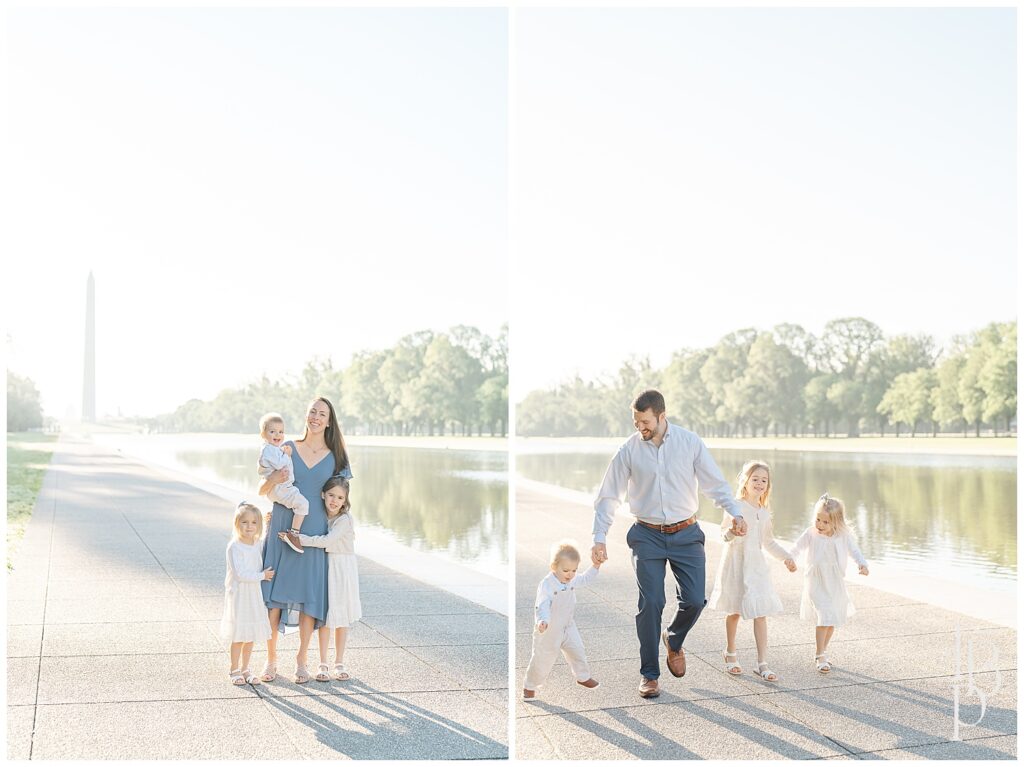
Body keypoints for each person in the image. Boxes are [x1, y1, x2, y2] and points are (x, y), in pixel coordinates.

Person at [592, 389, 748, 699]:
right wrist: (599, 537)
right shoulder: (629, 449)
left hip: (686, 534)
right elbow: (609, 495)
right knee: (650, 603)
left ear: (662, 416)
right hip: (646, 535)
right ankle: (649, 674)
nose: (640, 427)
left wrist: (735, 512)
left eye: (645, 421)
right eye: (636, 422)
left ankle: (673, 640)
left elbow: (714, 483)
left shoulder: (689, 443)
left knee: (694, 599)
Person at [259, 396, 351, 684]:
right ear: (306, 415)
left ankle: (302, 660)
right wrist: (274, 479)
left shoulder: (336, 456)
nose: (316, 417)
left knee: (309, 597)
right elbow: (263, 489)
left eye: (322, 413)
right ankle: (271, 660)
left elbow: (341, 500)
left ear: (329, 420)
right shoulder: (285, 448)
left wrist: (342, 532)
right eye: (312, 411)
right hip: (282, 524)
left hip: (313, 531)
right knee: (274, 597)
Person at [708, 460, 796, 682]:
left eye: (764, 480)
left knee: (760, 613)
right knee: (735, 611)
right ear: (745, 482)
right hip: (737, 564)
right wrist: (732, 532)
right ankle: (730, 652)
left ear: (768, 486)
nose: (759, 483)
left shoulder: (764, 512)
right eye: (755, 479)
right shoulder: (735, 507)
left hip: (757, 568)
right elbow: (723, 536)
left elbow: (768, 542)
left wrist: (786, 557)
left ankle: (762, 663)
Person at [280, 475, 361, 682]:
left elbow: (327, 541)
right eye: (331, 495)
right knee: (327, 615)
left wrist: (298, 539)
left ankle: (339, 662)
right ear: (323, 494)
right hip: (327, 567)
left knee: (341, 617)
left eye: (340, 498)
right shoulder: (322, 516)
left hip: (342, 568)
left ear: (345, 501)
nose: (334, 501)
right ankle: (323, 663)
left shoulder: (345, 519)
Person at [789, 492, 869, 674]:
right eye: (818, 519)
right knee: (824, 614)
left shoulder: (843, 536)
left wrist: (862, 564)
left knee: (832, 618)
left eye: (825, 522)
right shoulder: (811, 533)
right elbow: (797, 547)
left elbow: (855, 551)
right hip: (816, 579)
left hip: (834, 581)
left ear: (836, 522)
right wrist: (790, 559)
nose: (820, 525)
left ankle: (822, 651)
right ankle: (820, 654)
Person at [522, 541, 601, 701]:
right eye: (565, 570)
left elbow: (585, 579)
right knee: (543, 659)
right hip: (549, 628)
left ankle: (583, 676)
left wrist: (596, 566)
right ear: (553, 567)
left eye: (574, 570)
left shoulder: (571, 580)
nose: (570, 574)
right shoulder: (547, 584)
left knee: (577, 649)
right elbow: (542, 604)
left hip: (568, 625)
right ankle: (529, 686)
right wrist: (542, 621)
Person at [220, 502, 274, 685]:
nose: (249, 526)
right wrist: (263, 575)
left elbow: (266, 542)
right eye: (244, 522)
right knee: (239, 633)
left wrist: (269, 526)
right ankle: (234, 669)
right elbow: (240, 574)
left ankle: (246, 668)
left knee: (250, 633)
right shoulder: (234, 547)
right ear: (237, 523)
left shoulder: (257, 543)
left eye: (253, 523)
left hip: (254, 594)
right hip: (240, 594)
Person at [258, 412, 309, 554]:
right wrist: (286, 454)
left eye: (281, 431)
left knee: (300, 502)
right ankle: (293, 534)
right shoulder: (268, 449)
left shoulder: (273, 449)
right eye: (272, 431)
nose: (277, 435)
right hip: (279, 488)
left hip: (280, 487)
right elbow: (280, 465)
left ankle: (293, 532)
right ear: (263, 434)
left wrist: (282, 452)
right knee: (303, 504)